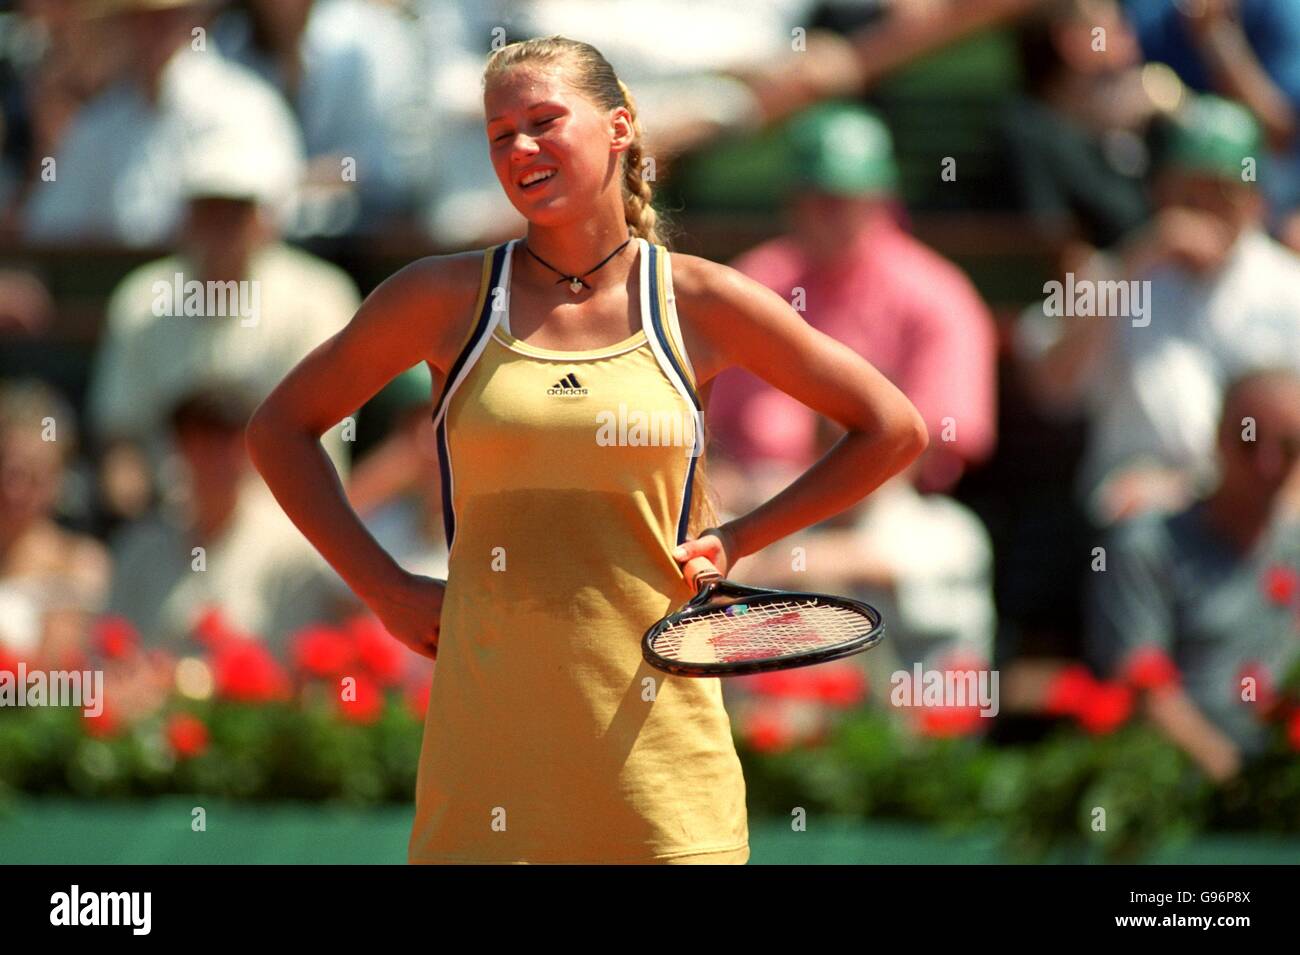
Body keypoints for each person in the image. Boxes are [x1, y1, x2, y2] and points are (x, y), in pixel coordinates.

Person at [246, 35, 927, 865]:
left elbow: (893, 428)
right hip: (487, 772)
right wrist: (381, 585)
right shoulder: (438, 297)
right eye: (500, 135)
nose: (520, 148)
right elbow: (279, 429)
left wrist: (741, 538)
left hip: (664, 778)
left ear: (619, 128)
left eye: (543, 121)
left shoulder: (702, 299)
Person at [1016, 94, 1300, 525]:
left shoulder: (1288, 285)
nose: (1204, 209)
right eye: (1189, 192)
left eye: (1222, 192)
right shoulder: (1116, 271)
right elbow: (1053, 389)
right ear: (1160, 191)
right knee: (1137, 528)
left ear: (1255, 200)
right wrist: (1135, 262)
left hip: (1260, 499)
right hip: (1140, 501)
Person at [708, 101, 996, 498]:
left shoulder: (935, 291)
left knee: (934, 547)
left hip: (885, 505)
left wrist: (823, 502)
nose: (829, 215)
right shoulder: (751, 284)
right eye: (816, 198)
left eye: (846, 199)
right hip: (749, 499)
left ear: (883, 200)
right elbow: (702, 429)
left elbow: (942, 442)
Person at [1086, 368, 1300, 781]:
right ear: (1217, 439)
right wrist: (1229, 774)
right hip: (1174, 785)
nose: (1268, 464)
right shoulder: (1145, 546)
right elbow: (1142, 686)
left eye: (1289, 448)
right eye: (1250, 441)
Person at [105, 383, 350, 654]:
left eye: (229, 442)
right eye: (200, 441)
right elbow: (111, 650)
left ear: (252, 450)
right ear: (179, 449)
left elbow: (302, 664)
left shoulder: (291, 551)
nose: (216, 458)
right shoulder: (140, 548)